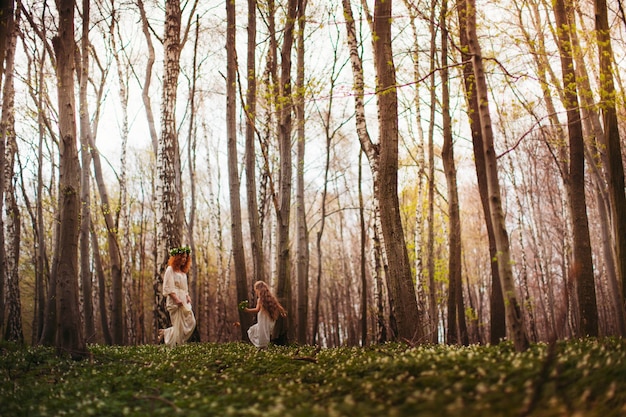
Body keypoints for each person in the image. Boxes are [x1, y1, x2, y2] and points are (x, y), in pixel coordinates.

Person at [158, 246, 196, 347]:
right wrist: (176, 299)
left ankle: (166, 333)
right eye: (182, 257)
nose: (184, 259)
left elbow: (185, 288)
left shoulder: (183, 272)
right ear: (177, 258)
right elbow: (168, 286)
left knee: (191, 322)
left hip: (183, 299)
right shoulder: (170, 270)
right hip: (175, 300)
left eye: (185, 258)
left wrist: (187, 296)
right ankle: (177, 345)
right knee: (178, 325)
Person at [242, 280, 286, 349]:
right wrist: (282, 312)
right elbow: (278, 306)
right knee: (262, 332)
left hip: (263, 319)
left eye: (256, 290)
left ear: (258, 290)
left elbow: (257, 310)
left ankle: (262, 346)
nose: (256, 292)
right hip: (269, 319)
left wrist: (247, 310)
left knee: (259, 331)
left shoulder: (260, 299)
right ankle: (263, 346)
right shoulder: (270, 298)